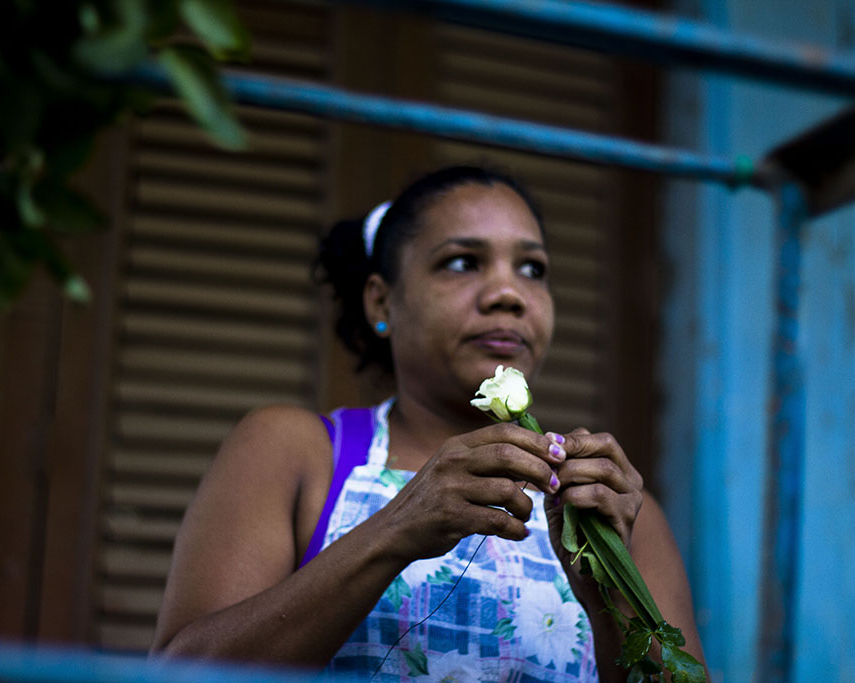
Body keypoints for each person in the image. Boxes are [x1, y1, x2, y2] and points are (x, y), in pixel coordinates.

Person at [152, 165, 707, 681]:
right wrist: (397, 529)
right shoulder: (297, 451)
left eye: (532, 269)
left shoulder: (613, 505)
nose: (509, 294)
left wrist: (609, 587)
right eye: (462, 262)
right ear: (380, 302)